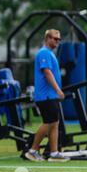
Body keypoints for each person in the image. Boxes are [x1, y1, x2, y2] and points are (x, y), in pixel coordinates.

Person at [25, 29, 70, 162]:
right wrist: (58, 90)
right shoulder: (43, 53)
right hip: (46, 96)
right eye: (55, 39)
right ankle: (32, 151)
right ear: (48, 38)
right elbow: (47, 73)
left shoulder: (49, 53)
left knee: (54, 123)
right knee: (49, 123)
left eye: (59, 39)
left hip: (50, 96)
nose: (58, 41)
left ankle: (54, 153)